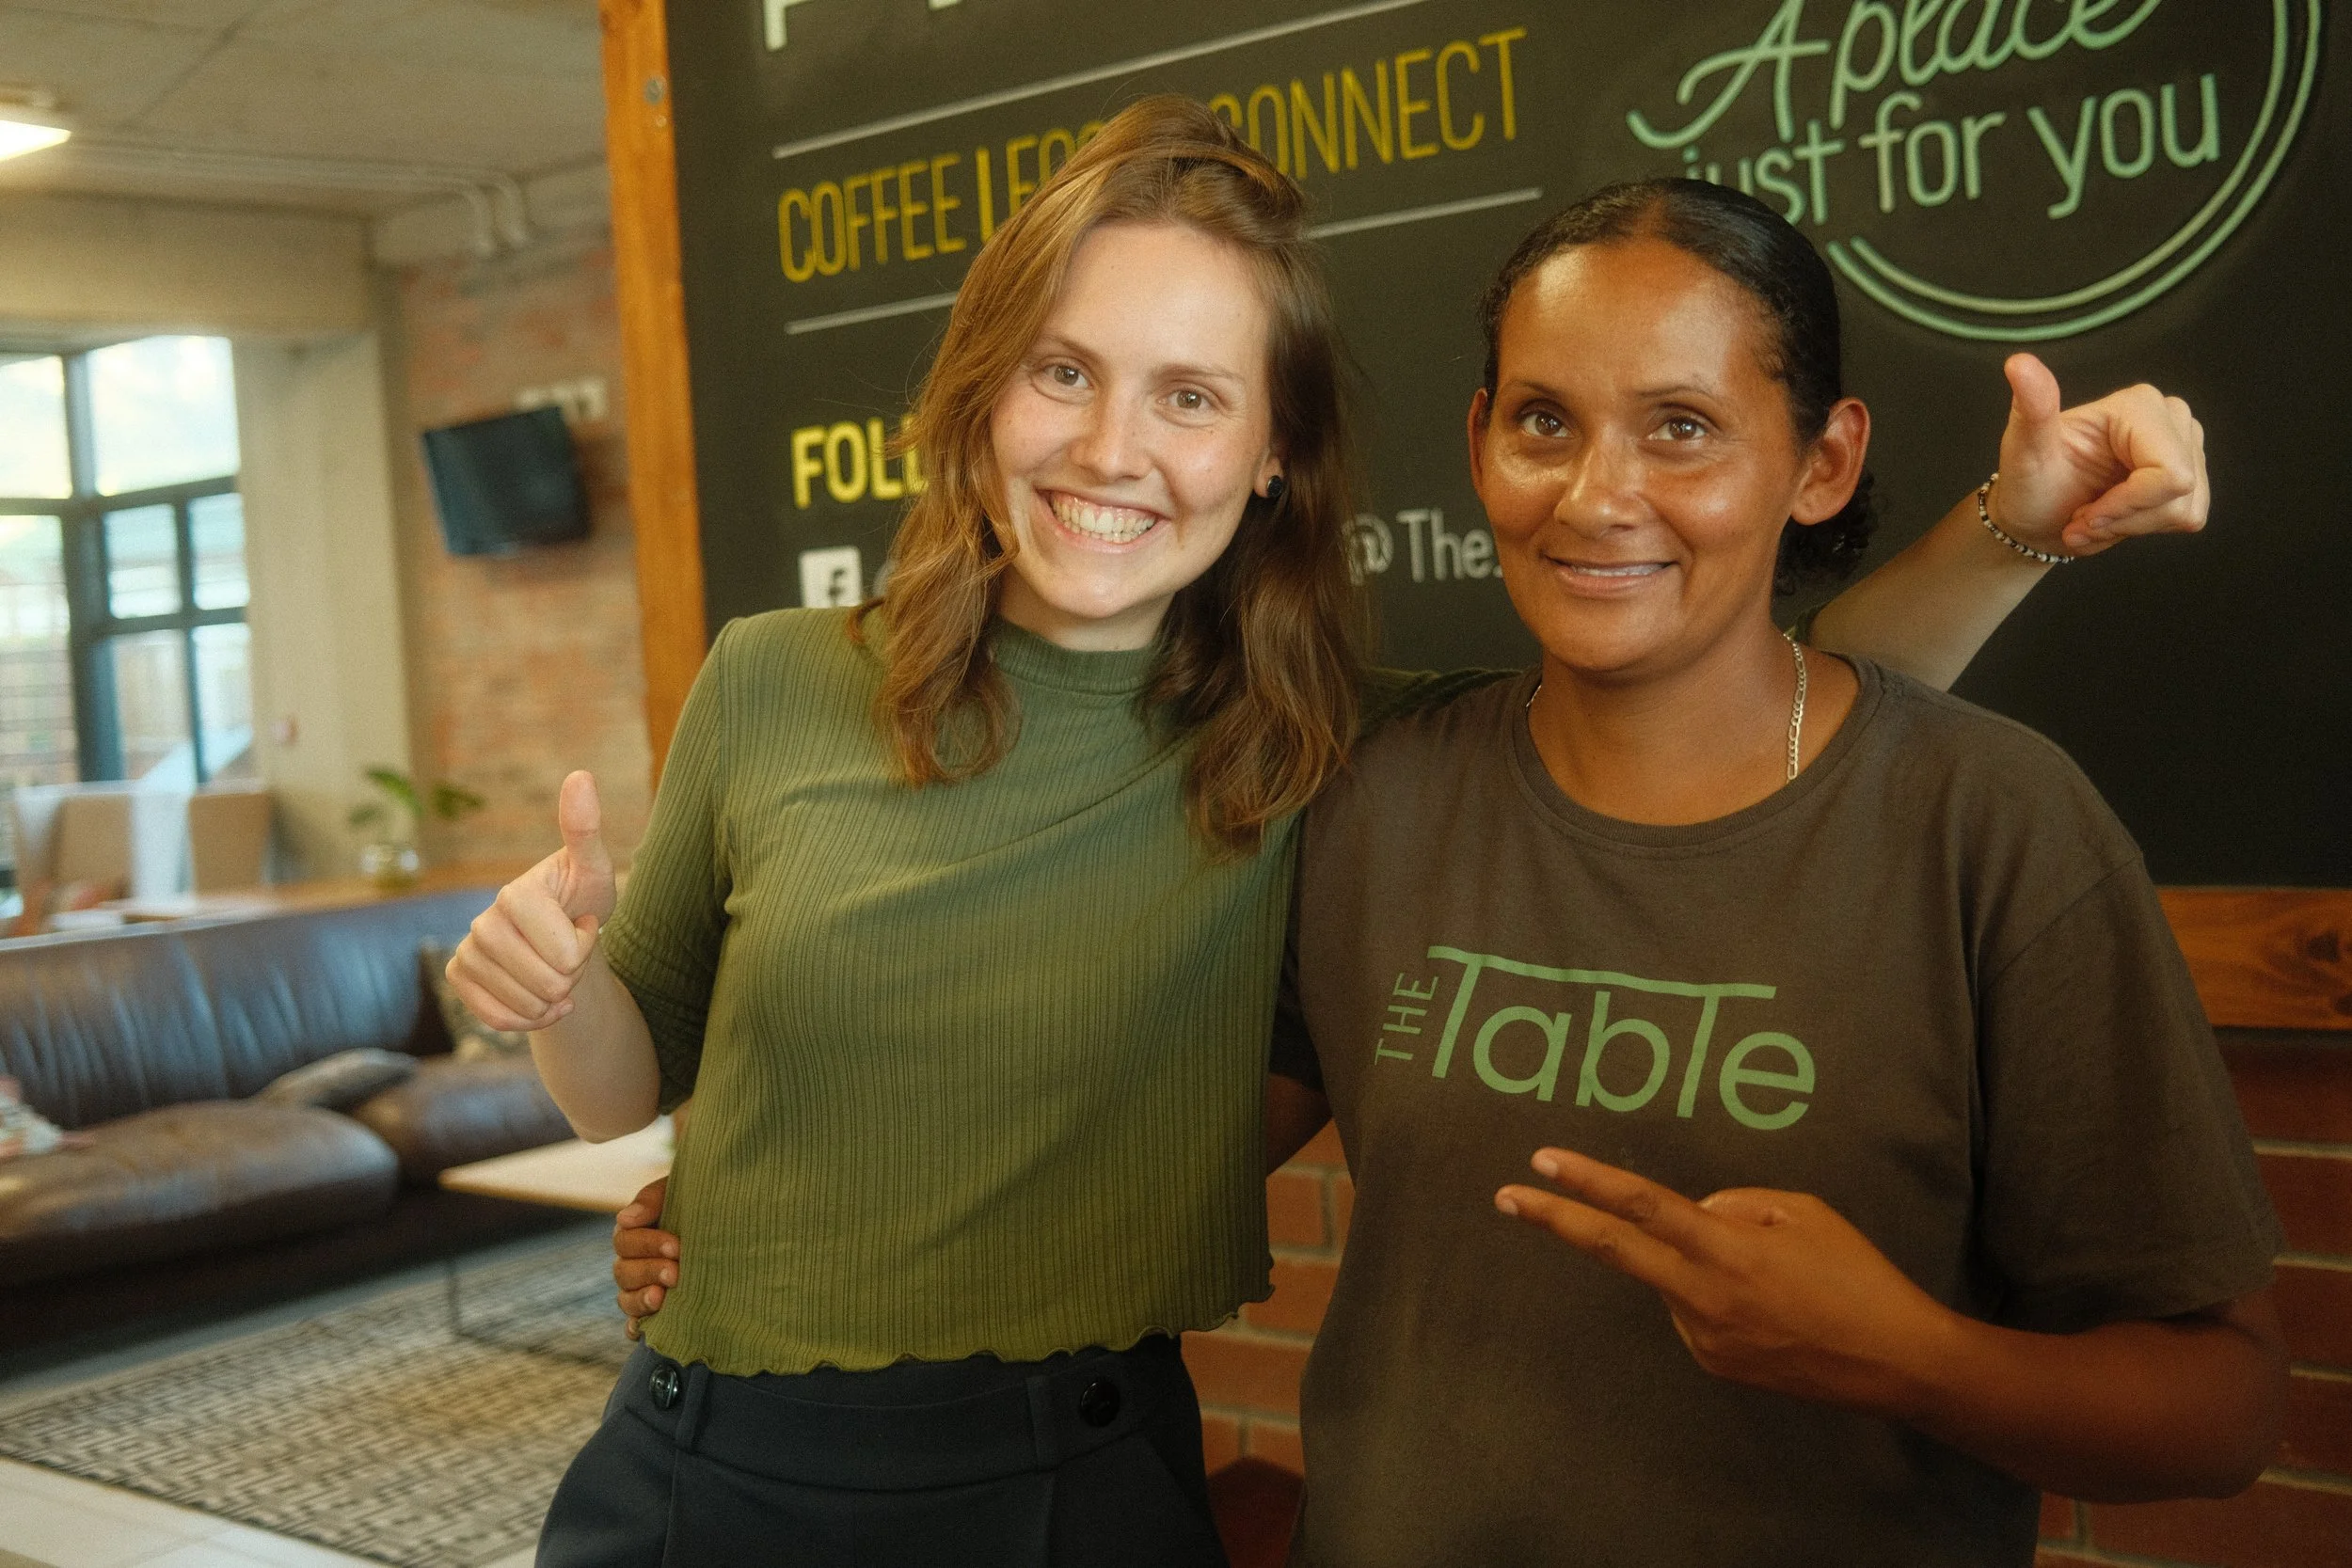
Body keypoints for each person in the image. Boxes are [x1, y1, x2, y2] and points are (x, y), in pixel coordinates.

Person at [493, 100, 2206, 1566]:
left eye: (1189, 395)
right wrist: (654, 1103)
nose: (1109, 446)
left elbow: (1762, 713)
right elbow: (635, 1083)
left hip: (1063, 1463)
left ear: (1272, 460)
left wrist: (2013, 533)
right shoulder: (812, 684)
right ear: (982, 388)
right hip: (701, 1445)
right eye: (1063, 371)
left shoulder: (1312, 738)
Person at [1259, 179, 2280, 1566]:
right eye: (1542, 420)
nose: (1596, 494)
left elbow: (2222, 1410)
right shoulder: (1376, 797)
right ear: (1479, 440)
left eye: (1682, 428)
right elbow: (1157, 1169)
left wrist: (1906, 1353)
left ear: (1825, 461)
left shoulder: (1997, 826)